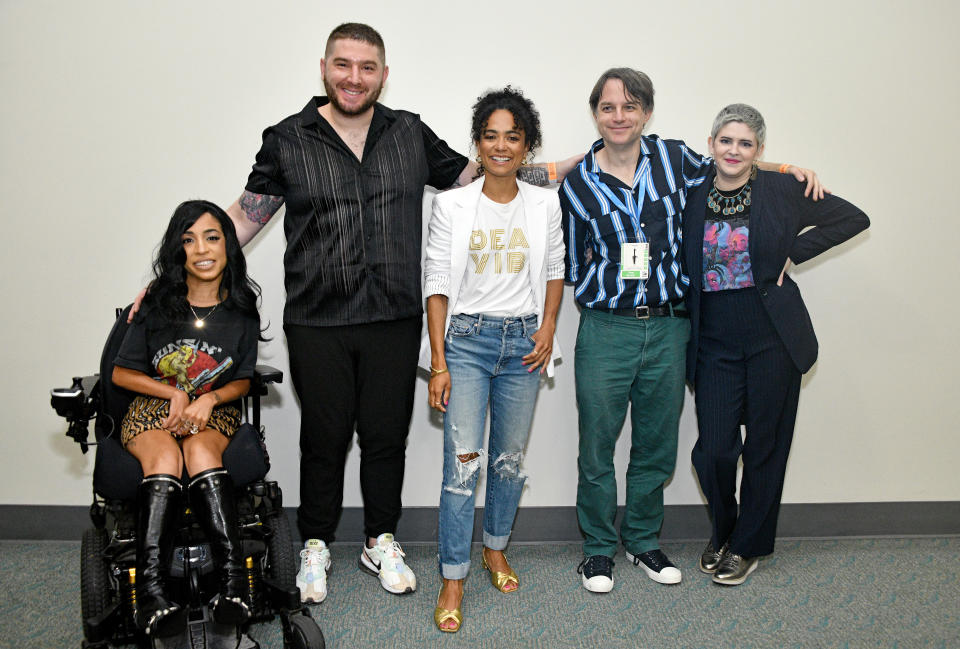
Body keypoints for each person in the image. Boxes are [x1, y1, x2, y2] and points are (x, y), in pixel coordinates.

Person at [216, 23, 579, 603]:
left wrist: (572, 164)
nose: (354, 78)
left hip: (395, 317)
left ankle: (380, 539)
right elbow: (245, 217)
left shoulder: (409, 133)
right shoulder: (287, 139)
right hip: (317, 319)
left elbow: (488, 172)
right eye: (343, 65)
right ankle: (315, 544)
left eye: (366, 67)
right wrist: (174, 268)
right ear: (324, 68)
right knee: (324, 438)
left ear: (384, 74)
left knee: (386, 439)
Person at [560, 68, 824, 593]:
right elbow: (572, 260)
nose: (619, 116)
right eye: (609, 107)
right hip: (607, 330)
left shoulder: (675, 159)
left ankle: (642, 541)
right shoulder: (577, 183)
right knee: (597, 447)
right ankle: (596, 550)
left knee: (656, 448)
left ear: (646, 113)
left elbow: (735, 161)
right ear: (596, 113)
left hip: (670, 328)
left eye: (630, 107)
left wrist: (790, 168)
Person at [684, 104, 869, 586]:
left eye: (746, 144)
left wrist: (794, 252)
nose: (734, 150)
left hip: (772, 337)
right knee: (715, 451)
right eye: (726, 141)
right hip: (713, 340)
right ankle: (724, 531)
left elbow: (852, 217)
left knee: (766, 447)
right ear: (711, 144)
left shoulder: (783, 188)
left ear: (759, 151)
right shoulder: (693, 190)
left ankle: (748, 545)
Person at [420, 87, 564, 632]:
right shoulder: (451, 204)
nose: (501, 146)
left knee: (507, 461)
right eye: (491, 135)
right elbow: (435, 282)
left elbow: (555, 267)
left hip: (524, 344)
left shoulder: (545, 203)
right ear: (477, 143)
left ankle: (495, 549)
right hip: (466, 343)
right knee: (462, 466)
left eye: (513, 136)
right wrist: (438, 361)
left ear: (527, 146)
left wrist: (547, 326)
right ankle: (453, 573)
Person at [112, 200, 262, 636]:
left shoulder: (241, 310)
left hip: (211, 410)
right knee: (164, 460)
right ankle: (153, 596)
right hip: (152, 408)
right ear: (179, 251)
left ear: (227, 245)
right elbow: (121, 372)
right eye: (189, 239)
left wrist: (209, 399)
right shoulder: (156, 306)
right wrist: (173, 392)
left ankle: (234, 587)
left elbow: (245, 379)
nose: (201, 249)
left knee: (198, 450)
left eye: (212, 237)